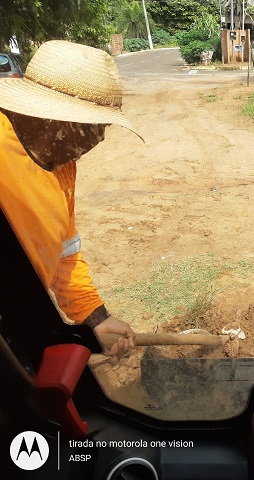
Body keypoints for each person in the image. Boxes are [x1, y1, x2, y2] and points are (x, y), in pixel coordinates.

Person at [0, 40, 142, 355]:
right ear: (57, 119)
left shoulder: (62, 166)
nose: (101, 137)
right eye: (96, 125)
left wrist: (96, 317)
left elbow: (65, 252)